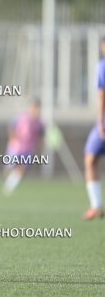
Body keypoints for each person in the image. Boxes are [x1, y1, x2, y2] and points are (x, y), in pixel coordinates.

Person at [82, 38, 105, 220]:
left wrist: (100, 121)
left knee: (90, 158)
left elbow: (101, 94)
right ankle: (96, 206)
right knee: (91, 158)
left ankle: (96, 205)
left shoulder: (103, 66)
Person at [2, 99, 44, 196]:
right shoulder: (22, 118)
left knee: (22, 168)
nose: (36, 111)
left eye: (38, 109)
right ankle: (9, 183)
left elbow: (41, 135)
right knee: (10, 168)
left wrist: (40, 146)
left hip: (28, 149)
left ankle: (9, 187)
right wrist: (13, 138)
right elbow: (11, 128)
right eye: (35, 108)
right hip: (16, 147)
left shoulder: (40, 123)